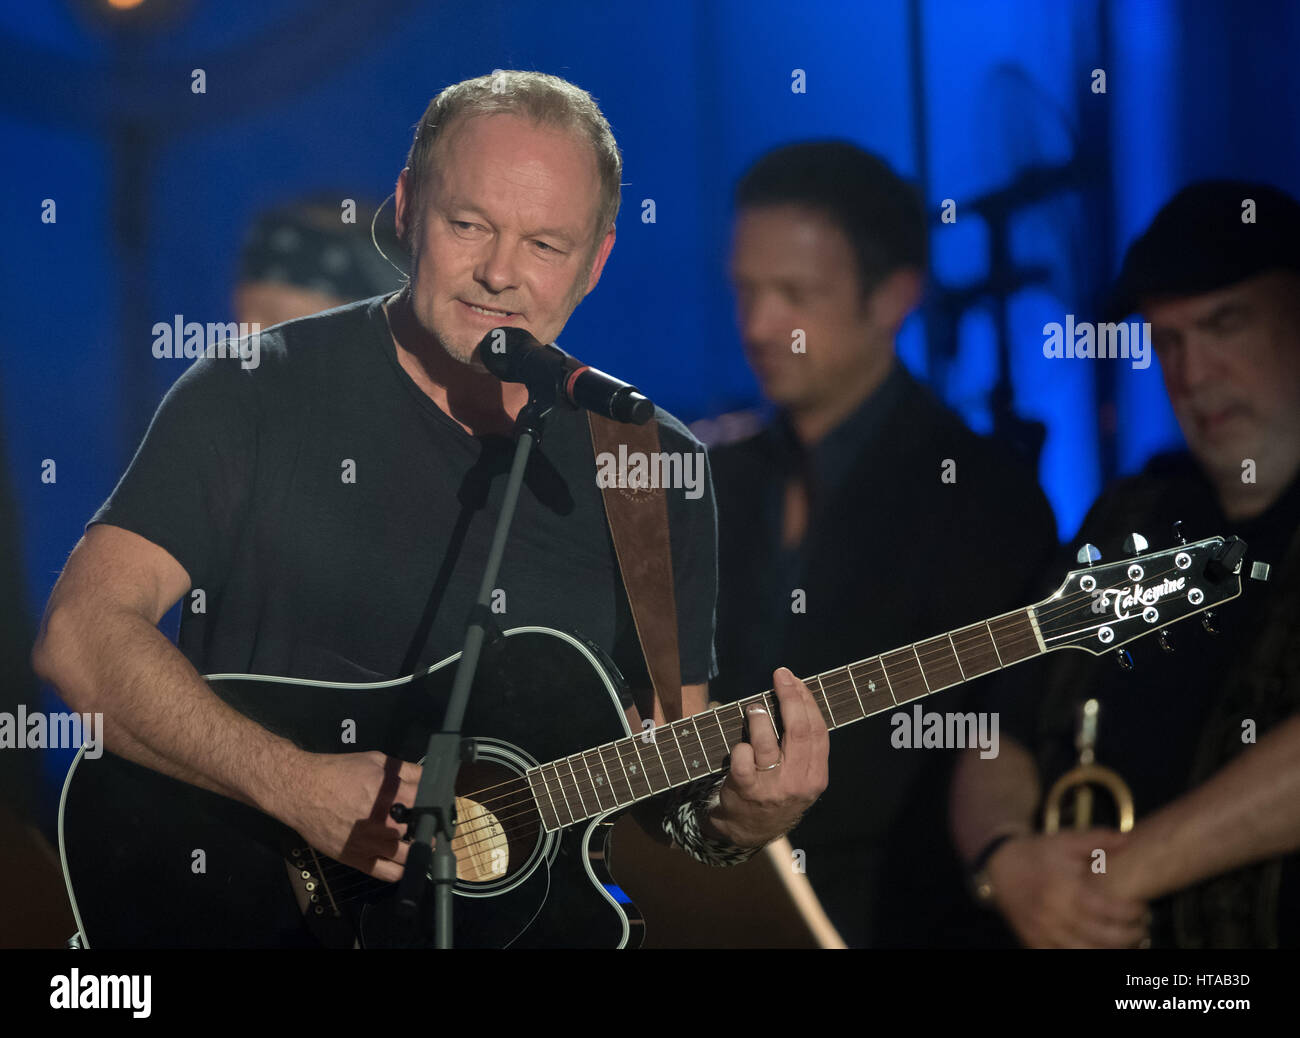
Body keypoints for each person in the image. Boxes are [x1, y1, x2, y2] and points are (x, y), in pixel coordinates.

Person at [31, 70, 828, 946]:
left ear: (597, 262)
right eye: (469, 224)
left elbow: (666, 791)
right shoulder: (255, 390)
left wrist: (738, 818)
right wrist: (294, 783)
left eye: (545, 245)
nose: (499, 272)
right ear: (408, 208)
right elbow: (81, 636)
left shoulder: (650, 461)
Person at [709, 141, 1057, 947]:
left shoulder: (981, 498)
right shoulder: (718, 479)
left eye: (795, 293)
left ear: (894, 295)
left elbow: (968, 753)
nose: (759, 326)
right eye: (746, 291)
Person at [951, 180, 1300, 948]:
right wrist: (1008, 862)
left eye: (1225, 325)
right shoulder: (1132, 516)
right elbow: (993, 729)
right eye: (1167, 341)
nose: (1193, 373)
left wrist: (1112, 880)